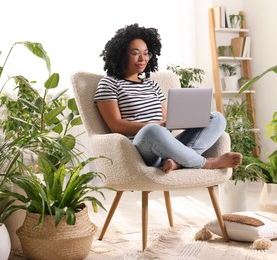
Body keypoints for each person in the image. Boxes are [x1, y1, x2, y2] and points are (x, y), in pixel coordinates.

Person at [94, 23, 242, 173]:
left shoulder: (152, 85)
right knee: (152, 130)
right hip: (140, 148)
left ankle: (177, 163)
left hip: (164, 146)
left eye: (146, 53)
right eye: (135, 53)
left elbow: (166, 122)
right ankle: (205, 163)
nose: (142, 58)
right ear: (121, 54)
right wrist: (153, 125)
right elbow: (116, 126)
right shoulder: (109, 83)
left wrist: (183, 121)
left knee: (217, 118)